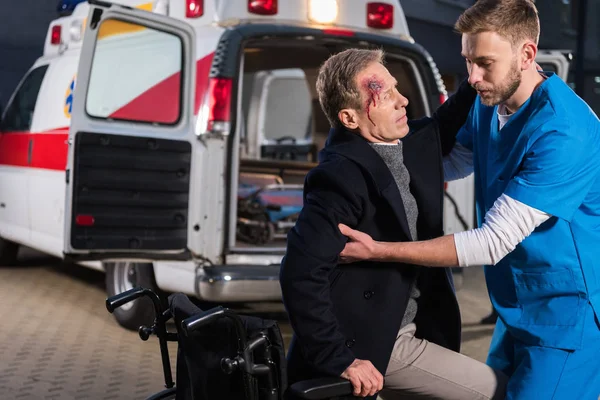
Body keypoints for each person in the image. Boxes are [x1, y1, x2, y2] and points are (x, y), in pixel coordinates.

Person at [338, 1, 600, 399]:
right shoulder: (489, 102)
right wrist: (360, 170)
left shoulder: (565, 131)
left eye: (484, 63)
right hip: (517, 305)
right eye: (468, 61)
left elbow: (492, 241)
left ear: (527, 54)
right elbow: (451, 164)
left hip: (567, 314)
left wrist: (379, 250)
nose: (473, 78)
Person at [279, 48, 507, 400]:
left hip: (415, 325)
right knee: (497, 390)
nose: (403, 101)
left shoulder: (402, 143)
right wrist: (340, 358)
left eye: (396, 88)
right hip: (377, 342)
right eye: (385, 96)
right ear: (350, 118)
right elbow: (299, 273)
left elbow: (446, 120)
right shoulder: (339, 178)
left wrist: (479, 70)